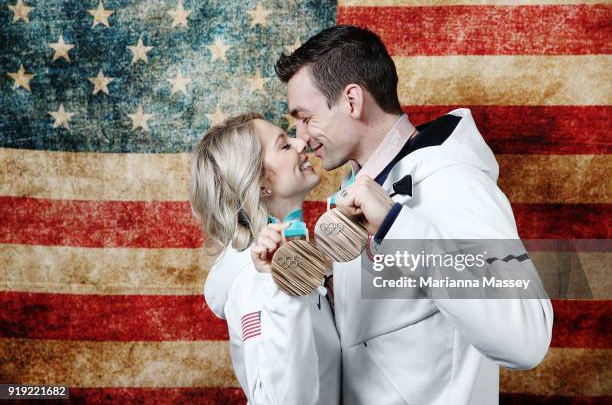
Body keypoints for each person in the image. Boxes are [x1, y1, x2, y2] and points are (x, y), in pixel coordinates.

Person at [217, 26, 554, 404]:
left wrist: (396, 227)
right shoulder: (355, 193)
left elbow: (526, 339)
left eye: (306, 117)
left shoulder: (452, 183)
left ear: (352, 101)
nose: (302, 137)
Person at [190, 113, 341, 405]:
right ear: (259, 183)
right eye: (284, 146)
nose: (301, 143)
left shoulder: (292, 254)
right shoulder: (254, 278)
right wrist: (279, 287)